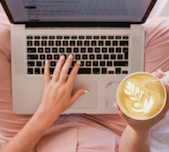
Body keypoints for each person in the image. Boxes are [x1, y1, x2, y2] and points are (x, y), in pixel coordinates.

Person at [0, 14, 169, 152]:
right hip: (114, 127)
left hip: (34, 130)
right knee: (163, 32)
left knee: (6, 33)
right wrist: (140, 128)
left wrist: (47, 112)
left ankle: (46, 15)